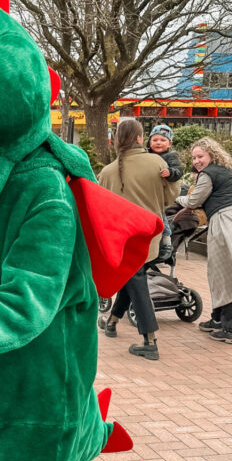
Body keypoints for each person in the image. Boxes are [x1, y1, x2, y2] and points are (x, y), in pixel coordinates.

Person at [97, 119, 180, 359]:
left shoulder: (108, 171)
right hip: (149, 236)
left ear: (116, 140)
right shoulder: (157, 163)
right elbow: (170, 198)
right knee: (133, 276)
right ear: (140, 138)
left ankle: (150, 340)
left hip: (121, 238)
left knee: (134, 278)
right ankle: (112, 322)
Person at [174, 137, 232, 343]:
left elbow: (195, 200)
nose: (196, 161)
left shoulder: (208, 173)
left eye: (200, 156)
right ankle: (217, 318)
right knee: (220, 271)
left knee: (224, 273)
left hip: (227, 221)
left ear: (211, 155)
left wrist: (178, 198)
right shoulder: (229, 171)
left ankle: (230, 329)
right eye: (194, 157)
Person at [147, 124, 184, 260]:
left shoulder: (170, 156)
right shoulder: (146, 155)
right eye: (155, 140)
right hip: (149, 191)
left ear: (169, 143)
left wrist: (170, 173)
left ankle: (167, 240)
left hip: (161, 193)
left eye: (162, 140)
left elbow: (179, 171)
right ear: (149, 142)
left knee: (160, 215)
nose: (158, 143)